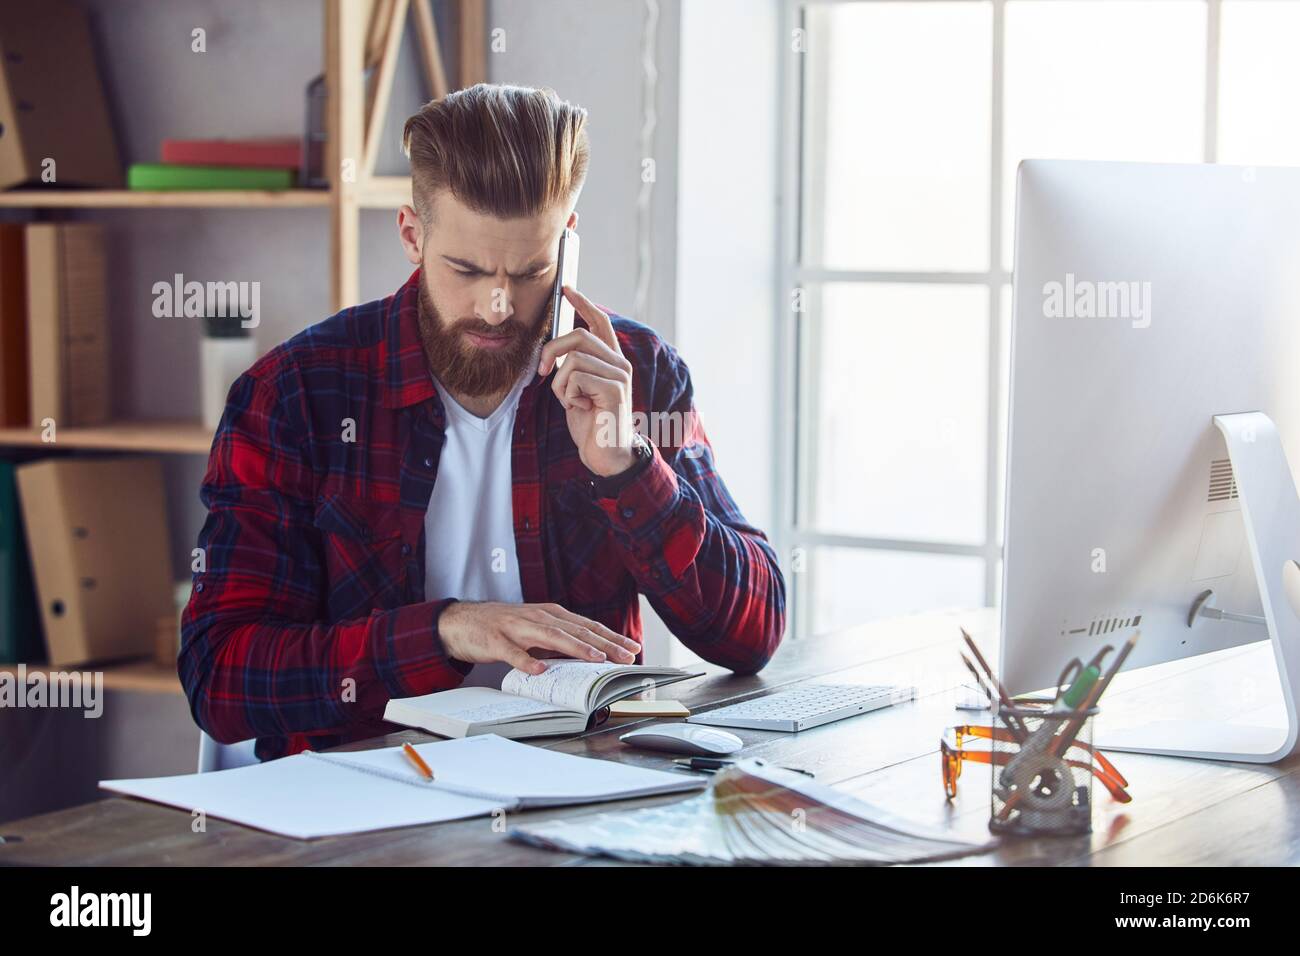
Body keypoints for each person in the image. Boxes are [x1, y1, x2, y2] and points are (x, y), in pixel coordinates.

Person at [180, 83, 786, 760]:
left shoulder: (635, 372)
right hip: (361, 812)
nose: (498, 306)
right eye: (466, 270)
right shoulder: (296, 395)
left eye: (531, 271)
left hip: (580, 794)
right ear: (412, 234)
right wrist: (444, 631)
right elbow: (220, 677)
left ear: (569, 245)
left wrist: (627, 464)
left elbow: (752, 634)